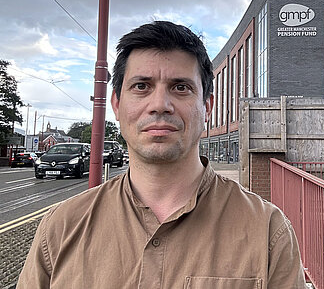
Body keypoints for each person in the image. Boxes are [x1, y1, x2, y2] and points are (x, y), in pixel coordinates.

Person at [18, 21, 307, 288]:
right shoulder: (60, 227)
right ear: (117, 105)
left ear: (207, 107)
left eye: (180, 87)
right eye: (141, 86)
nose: (160, 105)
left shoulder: (268, 232)